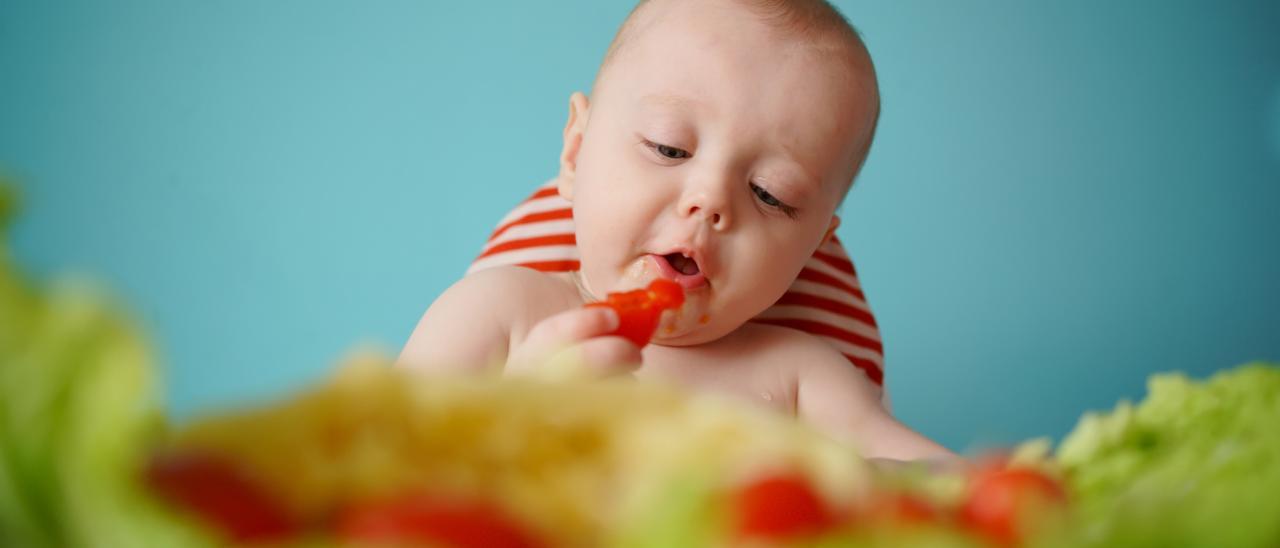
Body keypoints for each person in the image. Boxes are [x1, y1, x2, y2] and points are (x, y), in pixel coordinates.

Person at [398, 0, 954, 462]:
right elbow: (377, 464)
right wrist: (508, 425)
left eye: (771, 194)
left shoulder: (801, 378)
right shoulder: (499, 314)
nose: (710, 201)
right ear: (575, 152)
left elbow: (947, 485)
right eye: (669, 148)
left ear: (814, 246)